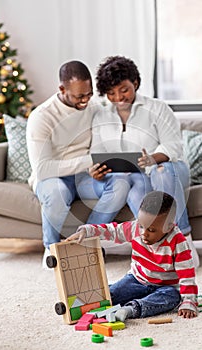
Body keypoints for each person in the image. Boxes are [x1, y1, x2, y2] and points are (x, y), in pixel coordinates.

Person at [90, 55, 199, 267]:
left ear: (136, 83)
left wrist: (152, 158)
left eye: (124, 90)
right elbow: (97, 151)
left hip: (168, 170)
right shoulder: (101, 115)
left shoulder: (157, 108)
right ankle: (154, 247)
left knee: (162, 171)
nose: (119, 97)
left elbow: (173, 146)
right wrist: (96, 170)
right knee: (132, 185)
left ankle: (183, 242)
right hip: (132, 176)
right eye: (111, 93)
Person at [26, 60, 130, 263]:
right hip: (52, 177)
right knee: (57, 192)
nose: (85, 101)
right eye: (79, 96)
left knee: (121, 183)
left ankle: (84, 242)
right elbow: (43, 168)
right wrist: (90, 161)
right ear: (62, 89)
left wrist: (100, 164)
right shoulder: (42, 117)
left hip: (85, 176)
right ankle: (51, 249)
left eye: (89, 94)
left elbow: (100, 142)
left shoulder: (93, 108)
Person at [66, 190, 198, 320]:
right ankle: (100, 296)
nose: (143, 233)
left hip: (165, 287)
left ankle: (129, 309)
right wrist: (86, 230)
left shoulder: (178, 242)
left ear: (169, 227)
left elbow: (187, 275)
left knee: (173, 297)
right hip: (137, 280)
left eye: (151, 230)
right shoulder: (134, 229)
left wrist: (188, 301)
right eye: (141, 226)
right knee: (110, 294)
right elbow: (112, 231)